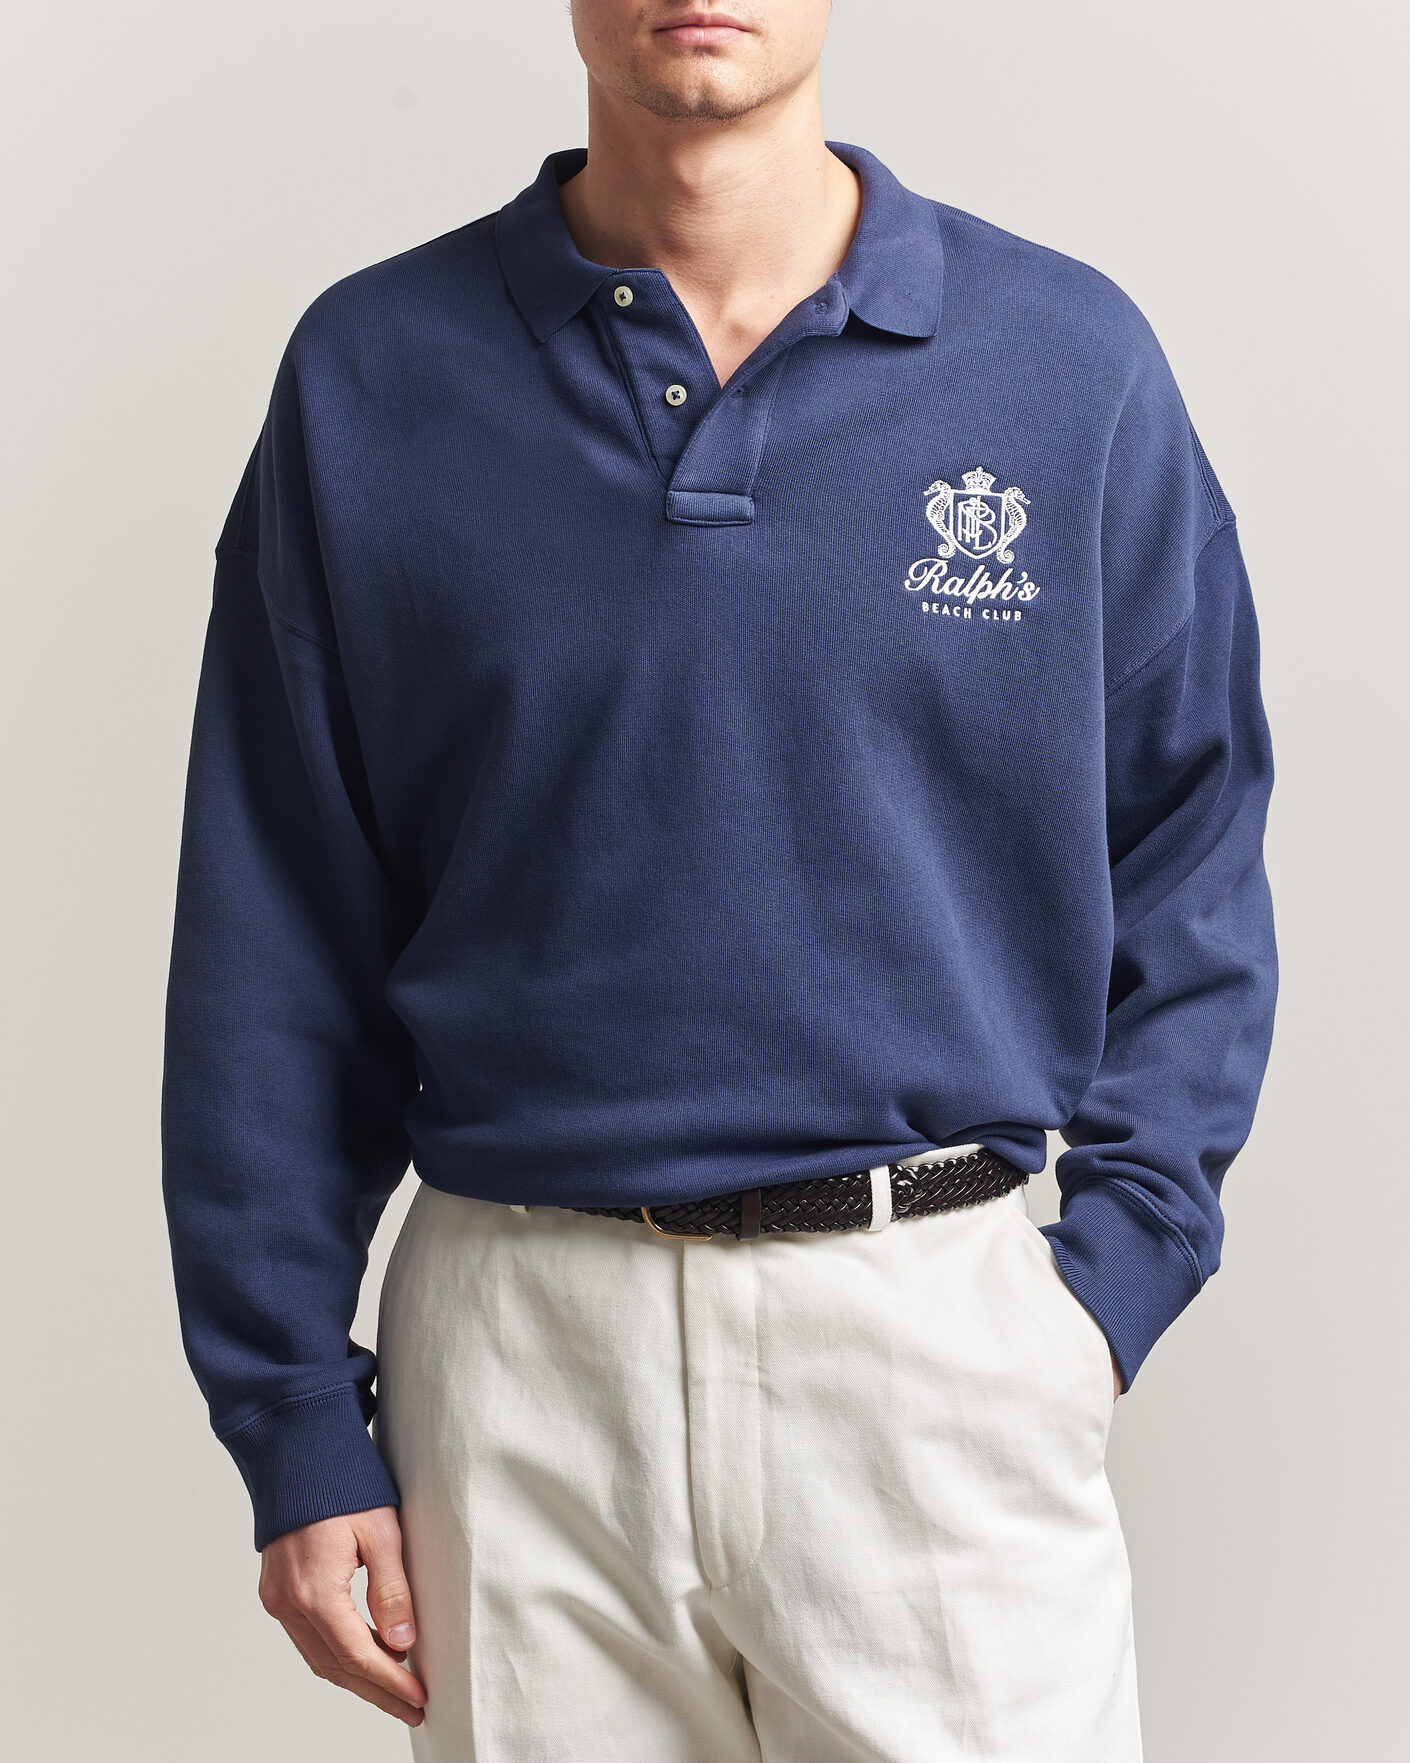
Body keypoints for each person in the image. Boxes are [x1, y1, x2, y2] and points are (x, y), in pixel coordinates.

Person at [160, 3, 1277, 1758]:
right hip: (518, 1366)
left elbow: (1191, 853)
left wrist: (1109, 1285)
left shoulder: (1068, 367)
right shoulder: (369, 375)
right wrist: (291, 1415)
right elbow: (275, 928)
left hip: (933, 1340)